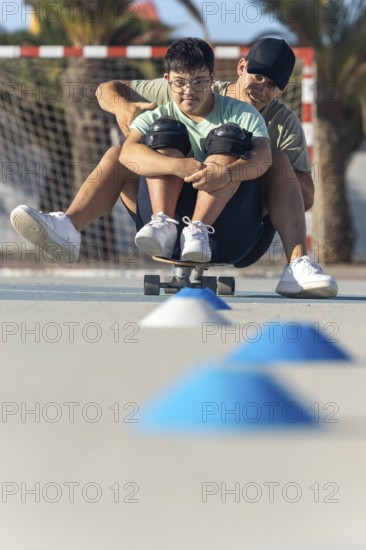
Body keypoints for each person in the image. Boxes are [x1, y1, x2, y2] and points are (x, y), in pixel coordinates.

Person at [10, 37, 337, 297]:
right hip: (161, 211)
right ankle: (68, 227)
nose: (261, 87)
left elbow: (304, 196)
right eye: (257, 76)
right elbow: (107, 90)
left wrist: (243, 168)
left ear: (283, 90)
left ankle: (297, 264)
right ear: (241, 67)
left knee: (267, 157)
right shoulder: (189, 88)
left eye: (272, 85)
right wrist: (125, 111)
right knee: (120, 152)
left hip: (235, 221)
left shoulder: (274, 121)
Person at [120, 37, 271, 264]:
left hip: (224, 234)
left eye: (199, 82)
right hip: (165, 237)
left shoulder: (244, 114)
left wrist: (228, 174)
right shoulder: (155, 114)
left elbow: (265, 157)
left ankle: (197, 230)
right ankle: (163, 224)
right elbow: (127, 153)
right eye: (180, 82)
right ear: (167, 80)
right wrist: (177, 166)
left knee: (229, 136)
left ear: (212, 78)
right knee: (163, 130)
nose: (189, 91)